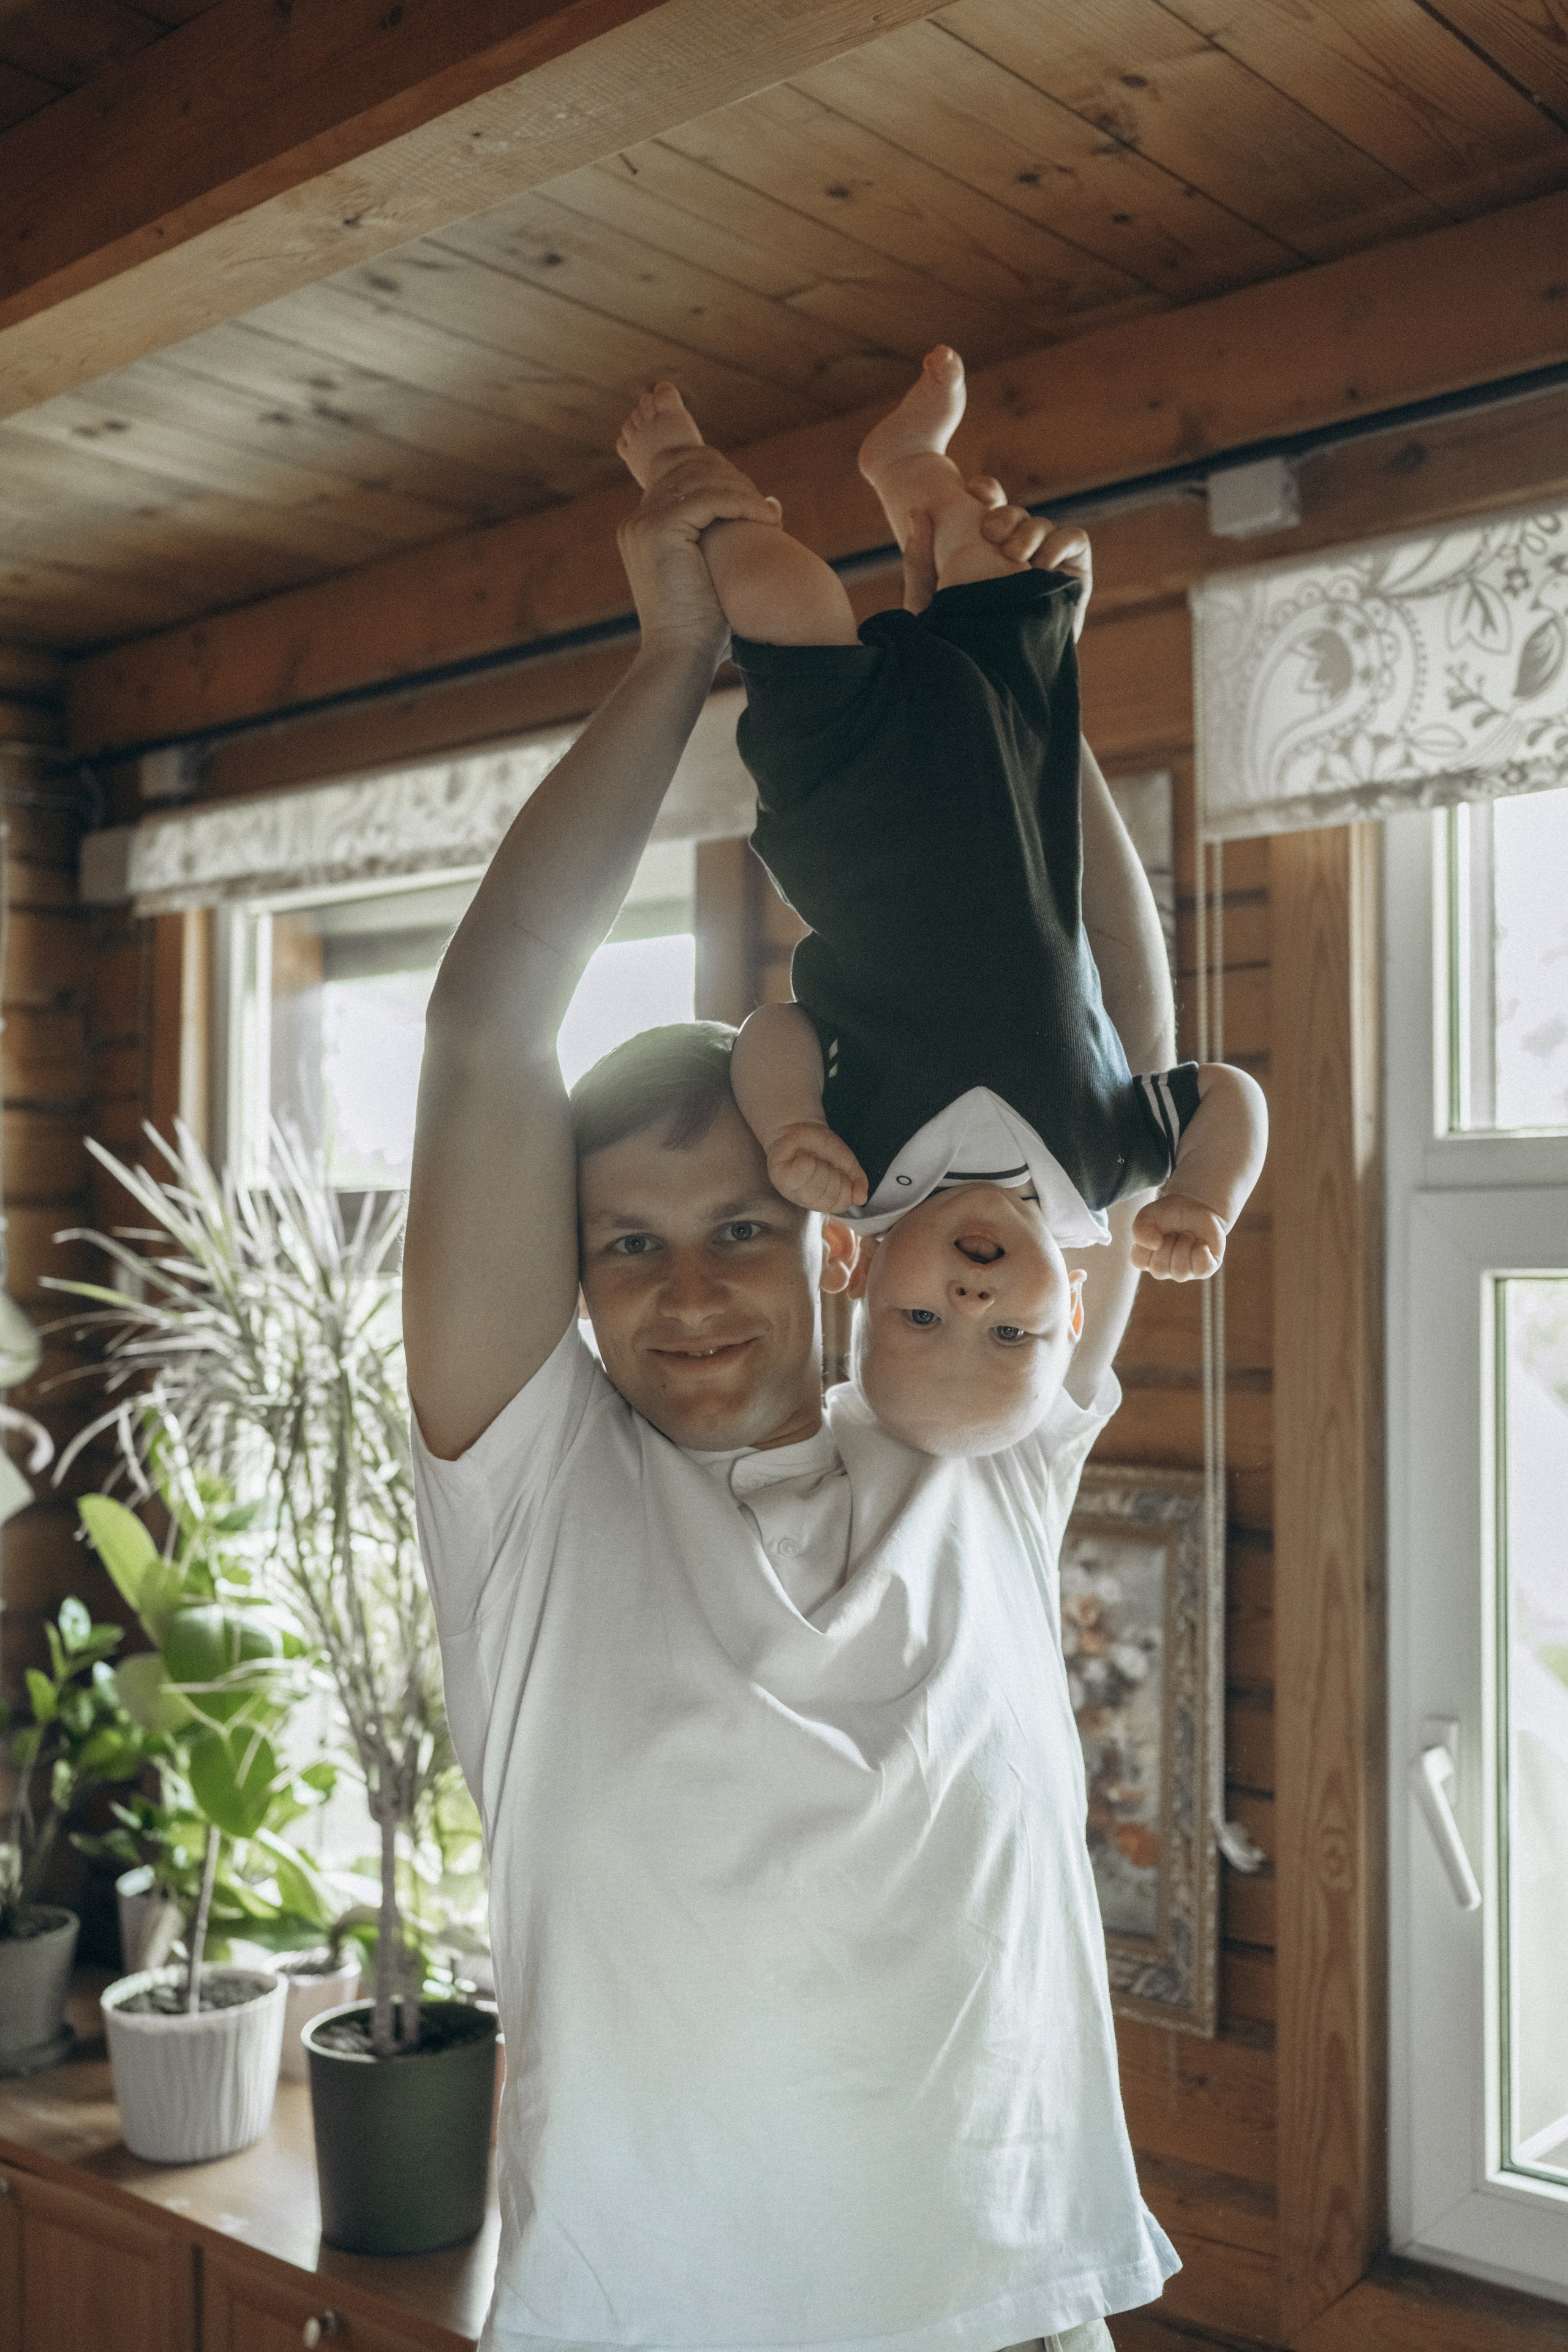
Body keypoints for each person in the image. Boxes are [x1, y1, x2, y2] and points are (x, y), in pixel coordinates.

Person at [403, 443, 1181, 2352]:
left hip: (1019, 2313)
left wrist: (1023, 675)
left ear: (831, 1231)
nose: (682, 1295)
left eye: (734, 1226)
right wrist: (674, 655)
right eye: (624, 1245)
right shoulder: (540, 1512)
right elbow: (486, 1028)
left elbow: (1119, 1066)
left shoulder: (970, 1440)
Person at [614, 349, 1267, 1455]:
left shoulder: (859, 1170)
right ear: (1068, 1303)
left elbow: (774, 1028)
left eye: (919, 1321)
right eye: (1013, 1337)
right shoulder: (1107, 1169)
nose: (971, 1308)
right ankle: (910, 467)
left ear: (857, 1269)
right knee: (990, 558)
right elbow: (1223, 1095)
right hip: (1007, 774)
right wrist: (1203, 1199)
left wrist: (791, 1129)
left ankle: (684, 473)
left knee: (783, 595)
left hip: (849, 813)